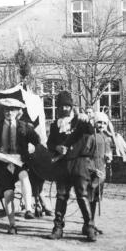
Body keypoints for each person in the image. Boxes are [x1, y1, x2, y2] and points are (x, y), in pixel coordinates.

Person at [0, 98, 42, 234]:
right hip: (2, 163)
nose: (9, 112)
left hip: (19, 162)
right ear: (3, 111)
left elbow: (37, 141)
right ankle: (12, 225)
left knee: (24, 175)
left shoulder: (24, 126)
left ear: (18, 112)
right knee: (8, 193)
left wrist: (37, 145)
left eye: (12, 110)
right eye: (6, 110)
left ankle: (28, 209)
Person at [47, 90, 95, 240]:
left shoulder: (80, 121)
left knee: (82, 195)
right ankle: (58, 228)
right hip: (62, 164)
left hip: (80, 163)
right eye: (62, 106)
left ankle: (89, 227)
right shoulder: (55, 125)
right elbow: (50, 143)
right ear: (58, 108)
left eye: (68, 106)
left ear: (72, 106)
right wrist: (57, 148)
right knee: (61, 196)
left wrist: (87, 119)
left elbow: (91, 131)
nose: (65, 109)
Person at [86, 111, 113, 237]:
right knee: (90, 197)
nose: (101, 125)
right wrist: (91, 169)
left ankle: (91, 222)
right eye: (99, 122)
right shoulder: (91, 137)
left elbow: (108, 152)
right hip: (92, 172)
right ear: (94, 123)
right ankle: (89, 224)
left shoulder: (106, 138)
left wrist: (109, 157)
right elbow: (85, 156)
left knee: (96, 199)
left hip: (101, 172)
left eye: (104, 123)